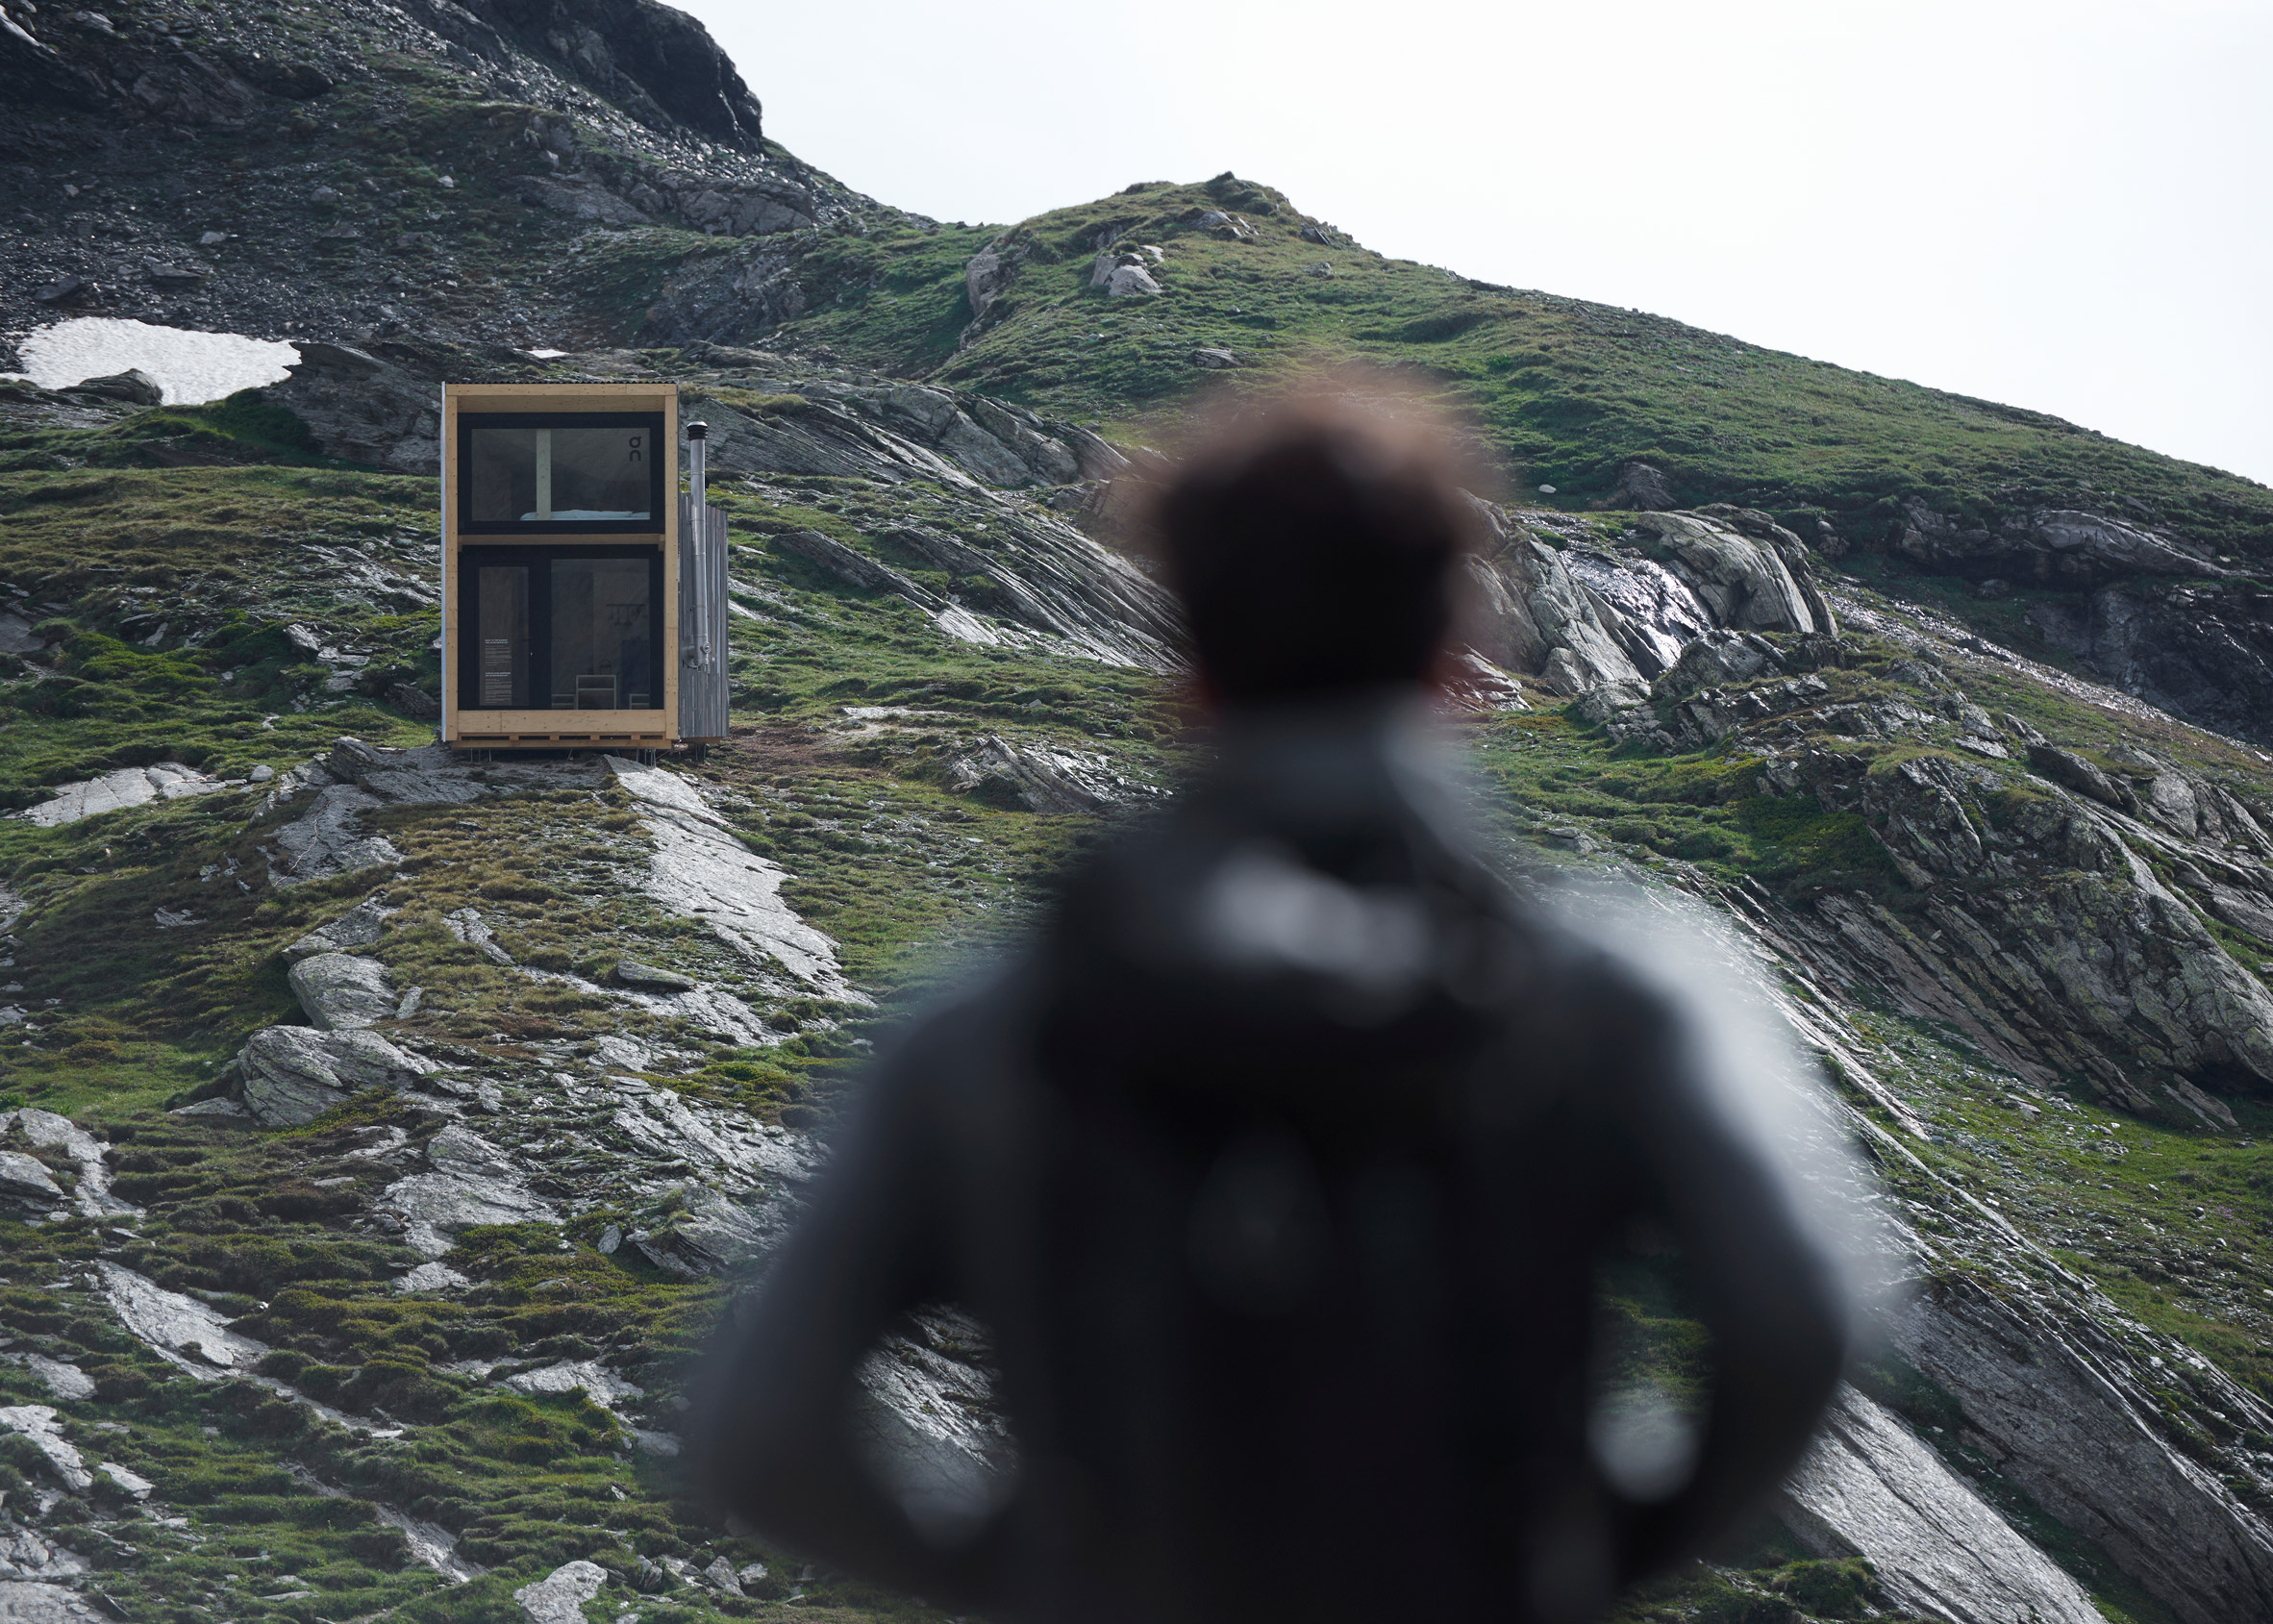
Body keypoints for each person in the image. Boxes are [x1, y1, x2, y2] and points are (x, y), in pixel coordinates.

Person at [687, 386, 1862, 1624]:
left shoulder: (997, 1020)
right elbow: (1793, 1325)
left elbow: (761, 1430)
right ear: (1451, 658)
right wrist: (1583, 1555)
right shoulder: (1608, 990)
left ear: (1191, 660)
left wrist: (1047, 1579)